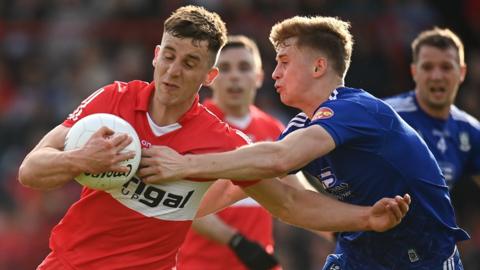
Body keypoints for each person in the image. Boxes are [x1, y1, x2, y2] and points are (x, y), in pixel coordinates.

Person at [18, 6, 409, 269]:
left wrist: (366, 218)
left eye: (190, 63)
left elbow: (289, 201)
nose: (173, 71)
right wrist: (79, 160)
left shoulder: (221, 142)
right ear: (155, 55)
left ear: (209, 77)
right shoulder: (113, 100)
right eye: (168, 56)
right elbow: (31, 170)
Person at [138, 16, 469, 269]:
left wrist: (183, 165)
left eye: (283, 61)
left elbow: (280, 159)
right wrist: (150, 215)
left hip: (425, 256)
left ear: (318, 66)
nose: (273, 74)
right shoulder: (300, 125)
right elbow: (254, 193)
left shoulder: (356, 108)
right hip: (361, 254)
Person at [177, 35, 283, 270]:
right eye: (224, 68)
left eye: (244, 67)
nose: (234, 76)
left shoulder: (273, 129)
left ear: (259, 77)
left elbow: (295, 193)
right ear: (211, 76)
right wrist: (236, 242)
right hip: (199, 265)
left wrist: (336, 232)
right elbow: (180, 201)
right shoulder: (192, 125)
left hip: (259, 263)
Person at [384, 27, 480, 189]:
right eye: (428, 67)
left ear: (462, 72)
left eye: (446, 67)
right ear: (414, 72)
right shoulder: (386, 116)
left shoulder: (468, 130)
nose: (436, 76)